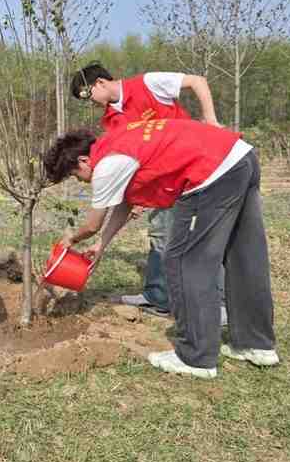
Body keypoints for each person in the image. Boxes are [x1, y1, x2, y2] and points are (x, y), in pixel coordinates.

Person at [43, 120, 279, 379]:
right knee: (243, 256)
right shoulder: (117, 144)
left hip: (208, 174)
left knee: (185, 262)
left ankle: (196, 357)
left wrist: (72, 239)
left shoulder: (106, 165)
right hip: (240, 157)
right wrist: (102, 244)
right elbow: (125, 202)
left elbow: (92, 224)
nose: (81, 181)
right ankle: (255, 344)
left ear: (84, 160)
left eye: (75, 175)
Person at [70, 62, 226, 321]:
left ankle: (219, 304)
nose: (90, 102)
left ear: (99, 83)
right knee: (160, 232)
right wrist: (135, 198)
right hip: (160, 182)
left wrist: (210, 120)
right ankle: (158, 296)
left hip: (192, 167)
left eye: (88, 95)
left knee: (203, 234)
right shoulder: (111, 120)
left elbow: (197, 81)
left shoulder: (147, 84)